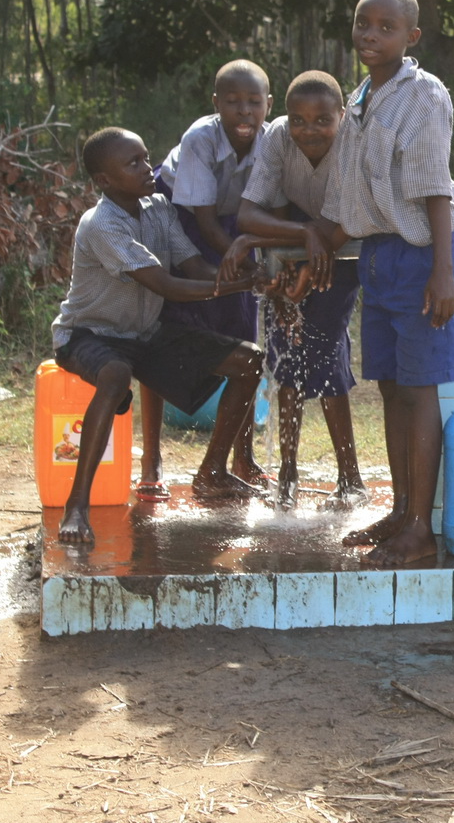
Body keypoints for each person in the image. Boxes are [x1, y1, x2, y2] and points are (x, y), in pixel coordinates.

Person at [52, 127, 265, 544]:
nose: (148, 168)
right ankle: (76, 506)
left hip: (144, 334)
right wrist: (240, 286)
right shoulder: (100, 225)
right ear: (105, 181)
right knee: (114, 374)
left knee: (250, 360)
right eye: (133, 163)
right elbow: (166, 285)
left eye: (146, 157)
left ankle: (212, 472)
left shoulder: (158, 208)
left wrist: (250, 274)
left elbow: (195, 268)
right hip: (88, 335)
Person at [321, 0, 454, 567]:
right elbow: (349, 199)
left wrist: (443, 273)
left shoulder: (423, 96)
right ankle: (401, 510)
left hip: (417, 257)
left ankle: (420, 529)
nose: (371, 36)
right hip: (375, 257)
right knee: (391, 387)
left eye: (386, 27)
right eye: (363, 24)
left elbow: (434, 190)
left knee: (419, 389)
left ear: (412, 37)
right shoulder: (360, 97)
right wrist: (312, 253)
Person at [219, 70, 365, 510]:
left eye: (322, 120)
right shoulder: (279, 137)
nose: (309, 129)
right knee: (285, 354)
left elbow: (349, 220)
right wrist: (301, 240)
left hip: (346, 249)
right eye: (298, 119)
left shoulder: (353, 142)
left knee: (324, 347)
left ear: (341, 115)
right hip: (292, 248)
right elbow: (248, 214)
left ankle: (349, 476)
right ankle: (288, 473)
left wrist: (307, 254)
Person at [137, 59, 273, 501]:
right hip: (182, 218)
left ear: (268, 105)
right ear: (216, 105)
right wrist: (240, 265)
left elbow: (268, 210)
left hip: (234, 224)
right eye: (232, 102)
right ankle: (152, 459)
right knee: (165, 334)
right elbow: (203, 221)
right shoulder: (200, 139)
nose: (244, 112)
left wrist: (255, 261)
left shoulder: (271, 142)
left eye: (254, 102)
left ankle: (242, 457)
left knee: (242, 335)